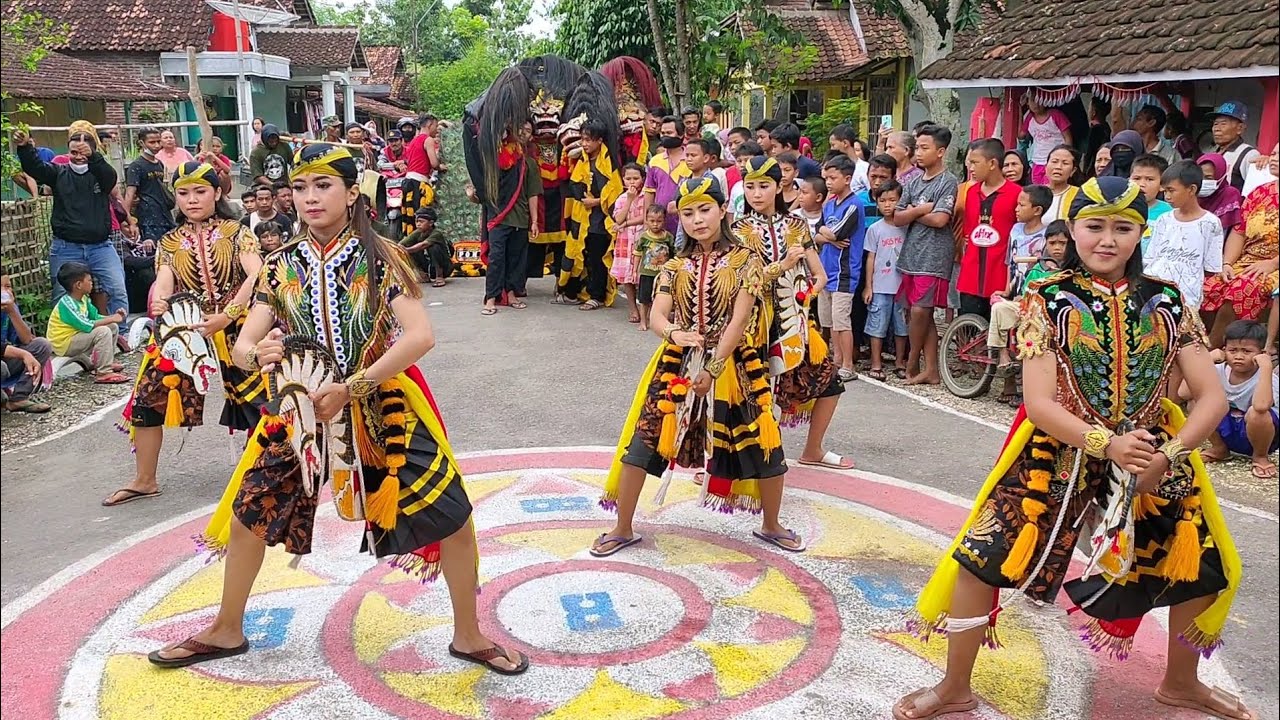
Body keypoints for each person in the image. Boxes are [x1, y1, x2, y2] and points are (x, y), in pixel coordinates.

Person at [146, 143, 527, 676]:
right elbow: (243, 346)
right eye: (300, 188)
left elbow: (419, 336)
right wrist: (261, 353)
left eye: (323, 185)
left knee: (453, 517)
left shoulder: (382, 256)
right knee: (248, 515)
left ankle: (469, 635)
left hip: (380, 404)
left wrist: (353, 386)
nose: (309, 197)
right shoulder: (279, 265)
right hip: (301, 413)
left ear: (352, 194)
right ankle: (226, 628)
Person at [894, 175, 1249, 720]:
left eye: (1122, 228)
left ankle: (1181, 683)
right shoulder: (1045, 297)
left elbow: (1212, 397)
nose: (1107, 239)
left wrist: (1168, 455)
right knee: (981, 560)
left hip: (1153, 453)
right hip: (1061, 448)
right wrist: (1108, 444)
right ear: (1074, 228)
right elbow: (1039, 403)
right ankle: (954, 686)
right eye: (1094, 226)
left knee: (1199, 566)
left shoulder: (1169, 299)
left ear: (1141, 233)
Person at [591, 177, 799, 556]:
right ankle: (622, 528)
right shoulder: (674, 265)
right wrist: (675, 333)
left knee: (764, 445)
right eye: (688, 213)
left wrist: (714, 368)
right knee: (643, 442)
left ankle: (771, 524)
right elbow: (658, 314)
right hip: (678, 362)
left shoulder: (748, 260)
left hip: (734, 364)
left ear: (723, 210)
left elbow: (739, 320)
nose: (697, 220)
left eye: (705, 210)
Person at [109, 161, 267, 507]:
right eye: (183, 193)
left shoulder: (237, 232)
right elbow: (165, 281)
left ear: (217, 193)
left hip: (238, 323)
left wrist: (227, 315)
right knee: (148, 396)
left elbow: (257, 274)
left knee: (259, 399)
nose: (192, 200)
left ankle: (264, 470)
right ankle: (145, 479)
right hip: (186, 328)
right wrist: (160, 301)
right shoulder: (169, 241)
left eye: (200, 191)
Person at [735, 155, 852, 470]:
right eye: (750, 187)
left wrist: (805, 297)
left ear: (779, 186)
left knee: (830, 382)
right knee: (744, 393)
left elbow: (820, 276)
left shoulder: (797, 226)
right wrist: (784, 265)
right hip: (752, 325)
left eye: (763, 186)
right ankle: (725, 462)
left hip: (794, 321)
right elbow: (742, 282)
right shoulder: (736, 230)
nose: (756, 193)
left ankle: (813, 449)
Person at [14, 129, 128, 328]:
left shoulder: (100, 175)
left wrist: (94, 157)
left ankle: (122, 332)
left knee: (117, 288)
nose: (78, 157)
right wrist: (25, 147)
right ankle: (66, 335)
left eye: (83, 152)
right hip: (66, 247)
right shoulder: (58, 173)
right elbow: (35, 168)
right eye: (74, 152)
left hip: (101, 247)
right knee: (61, 293)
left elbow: (110, 177)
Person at [893, 124, 958, 385]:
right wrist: (921, 210)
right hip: (912, 253)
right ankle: (931, 370)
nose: (918, 153)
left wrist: (912, 211)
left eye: (924, 148)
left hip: (934, 255)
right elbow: (897, 217)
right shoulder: (914, 182)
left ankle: (912, 360)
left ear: (940, 152)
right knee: (918, 311)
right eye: (917, 147)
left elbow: (941, 219)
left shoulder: (948, 181)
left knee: (921, 310)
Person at [1202, 143, 1279, 346]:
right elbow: (1239, 232)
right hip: (1248, 261)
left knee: (1242, 288)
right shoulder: (1259, 193)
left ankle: (1214, 347)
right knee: (1210, 286)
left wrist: (1272, 263)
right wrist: (1227, 263)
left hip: (1274, 266)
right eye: (1273, 153)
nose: (1274, 158)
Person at [1189, 320, 1278, 479]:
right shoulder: (1218, 370)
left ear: (1261, 353)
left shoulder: (1267, 376)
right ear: (1224, 350)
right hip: (1228, 431)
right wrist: (1206, 360)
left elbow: (1261, 406)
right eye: (1233, 350)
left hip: (1261, 436)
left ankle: (1260, 457)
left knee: (1257, 414)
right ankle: (1219, 448)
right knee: (1197, 402)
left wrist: (1266, 367)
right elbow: (1183, 392)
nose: (1238, 356)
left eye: (1246, 351)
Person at [986, 220, 1069, 387]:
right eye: (1052, 243)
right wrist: (1021, 298)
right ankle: (1002, 354)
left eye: (1063, 243)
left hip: (1056, 315)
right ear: (1046, 243)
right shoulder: (1038, 269)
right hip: (1031, 311)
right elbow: (1026, 293)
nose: (1057, 248)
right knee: (1000, 308)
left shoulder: (1074, 270)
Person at [480, 121, 542, 315]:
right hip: (499, 218)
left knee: (516, 260)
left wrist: (534, 221)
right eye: (520, 128)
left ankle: (512, 294)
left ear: (531, 136)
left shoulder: (529, 163)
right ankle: (491, 298)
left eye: (528, 131)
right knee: (497, 258)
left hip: (520, 218)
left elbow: (533, 194)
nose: (523, 133)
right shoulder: (496, 158)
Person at [1144, 160, 1224, 311]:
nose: (1167, 196)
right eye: (1165, 191)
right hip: (1154, 288)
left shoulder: (1210, 223)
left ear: (1191, 189)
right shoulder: (1164, 219)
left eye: (1171, 190)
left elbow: (1211, 267)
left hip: (1187, 295)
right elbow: (1151, 256)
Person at [815, 155, 866, 380]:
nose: (828, 182)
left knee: (842, 320)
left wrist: (828, 235)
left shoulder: (854, 205)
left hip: (844, 271)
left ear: (847, 179)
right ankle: (836, 359)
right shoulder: (829, 204)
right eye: (826, 178)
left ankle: (848, 364)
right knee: (829, 321)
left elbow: (837, 233)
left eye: (832, 178)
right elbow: (817, 232)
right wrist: (828, 236)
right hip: (826, 269)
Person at [957, 138, 1020, 318]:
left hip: (1000, 278)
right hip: (970, 275)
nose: (971, 168)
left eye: (975, 162)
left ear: (992, 163)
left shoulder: (1016, 193)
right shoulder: (971, 192)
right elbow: (968, 232)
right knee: (968, 326)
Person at [565, 120, 622, 312]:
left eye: (588, 140)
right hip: (583, 216)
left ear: (599, 141)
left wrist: (596, 202)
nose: (584, 144)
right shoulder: (582, 159)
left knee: (598, 256)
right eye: (582, 139)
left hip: (601, 219)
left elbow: (616, 191)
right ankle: (581, 291)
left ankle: (597, 295)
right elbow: (574, 183)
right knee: (582, 253)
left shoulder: (609, 161)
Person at [46, 262, 127, 384]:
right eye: (89, 280)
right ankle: (103, 372)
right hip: (64, 343)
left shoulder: (84, 299)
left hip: (77, 336)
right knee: (103, 331)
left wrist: (114, 317)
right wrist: (113, 318)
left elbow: (95, 317)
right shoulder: (66, 304)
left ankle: (105, 362)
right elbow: (85, 325)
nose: (92, 283)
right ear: (78, 285)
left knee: (112, 327)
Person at [861, 179, 909, 381]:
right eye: (882, 201)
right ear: (876, 202)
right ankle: (876, 362)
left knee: (902, 326)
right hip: (880, 286)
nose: (887, 205)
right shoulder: (875, 229)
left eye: (892, 200)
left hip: (902, 287)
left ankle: (900, 362)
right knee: (877, 325)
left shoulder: (907, 227)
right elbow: (871, 258)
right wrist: (868, 286)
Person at [1, 271, 53, 413]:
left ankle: (18, 398)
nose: (4, 291)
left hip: (5, 358)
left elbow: (26, 339)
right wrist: (24, 354)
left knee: (42, 345)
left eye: (7, 286)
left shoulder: (9, 307)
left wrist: (12, 312)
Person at [124, 127, 176, 250]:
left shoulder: (159, 163)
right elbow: (130, 194)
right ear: (142, 143)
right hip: (147, 218)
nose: (157, 145)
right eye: (152, 142)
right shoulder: (136, 166)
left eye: (158, 141)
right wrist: (127, 219)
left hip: (164, 214)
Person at [643, 117, 691, 238]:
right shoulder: (655, 161)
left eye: (669, 133)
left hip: (685, 223)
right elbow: (649, 193)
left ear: (681, 135)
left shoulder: (691, 160)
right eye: (663, 133)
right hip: (659, 224)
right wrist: (646, 222)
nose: (664, 136)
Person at [613, 162, 648, 324]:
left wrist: (627, 223)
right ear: (623, 180)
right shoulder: (621, 198)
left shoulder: (646, 196)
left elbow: (645, 217)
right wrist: (629, 199)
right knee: (627, 276)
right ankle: (633, 308)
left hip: (641, 237)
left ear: (643, 179)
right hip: (626, 241)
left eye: (636, 178)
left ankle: (645, 309)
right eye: (628, 179)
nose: (632, 182)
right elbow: (618, 218)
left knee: (642, 275)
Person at [631, 204, 675, 332]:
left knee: (661, 298)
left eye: (659, 221)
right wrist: (635, 270)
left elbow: (674, 254)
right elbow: (637, 253)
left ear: (664, 221)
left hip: (662, 275)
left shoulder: (668, 237)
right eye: (652, 221)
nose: (655, 224)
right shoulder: (644, 237)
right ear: (646, 220)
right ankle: (643, 322)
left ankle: (659, 322)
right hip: (647, 273)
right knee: (644, 299)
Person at [1207, 101, 1259, 192]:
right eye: (1215, 124)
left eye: (1223, 124)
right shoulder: (1213, 153)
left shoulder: (1249, 155)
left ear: (1240, 128)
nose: (1217, 129)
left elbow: (1254, 190)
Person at [1020, 96, 1072, 184]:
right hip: (1037, 160)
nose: (1036, 104)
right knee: (1037, 188)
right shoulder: (1030, 117)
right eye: (1032, 100)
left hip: (1055, 160)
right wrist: (1020, 110)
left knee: (1051, 186)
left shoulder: (1056, 115)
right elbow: (1021, 135)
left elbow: (1068, 138)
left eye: (1039, 100)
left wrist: (1066, 157)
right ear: (1027, 102)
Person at [1130, 153, 1172, 252]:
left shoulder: (1169, 214)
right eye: (1136, 178)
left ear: (1162, 185)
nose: (1141, 184)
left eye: (1149, 179)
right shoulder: (1120, 208)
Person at [1196, 153, 1245, 236]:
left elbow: (1234, 231)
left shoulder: (1230, 195)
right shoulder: (1190, 193)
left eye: (1208, 178)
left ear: (1220, 176)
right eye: (1199, 176)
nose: (1202, 181)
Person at [400, 208, 451, 286]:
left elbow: (423, 245)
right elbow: (402, 243)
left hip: (445, 267)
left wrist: (407, 250)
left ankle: (439, 276)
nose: (418, 224)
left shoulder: (436, 233)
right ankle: (423, 274)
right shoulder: (418, 232)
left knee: (434, 247)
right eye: (417, 221)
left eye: (421, 222)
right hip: (429, 266)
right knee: (410, 247)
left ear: (431, 223)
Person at [1042, 144, 1080, 220]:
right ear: (1046, 167)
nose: (1058, 167)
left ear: (1073, 170)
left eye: (1065, 163)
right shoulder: (1034, 192)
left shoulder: (1079, 195)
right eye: (1054, 161)